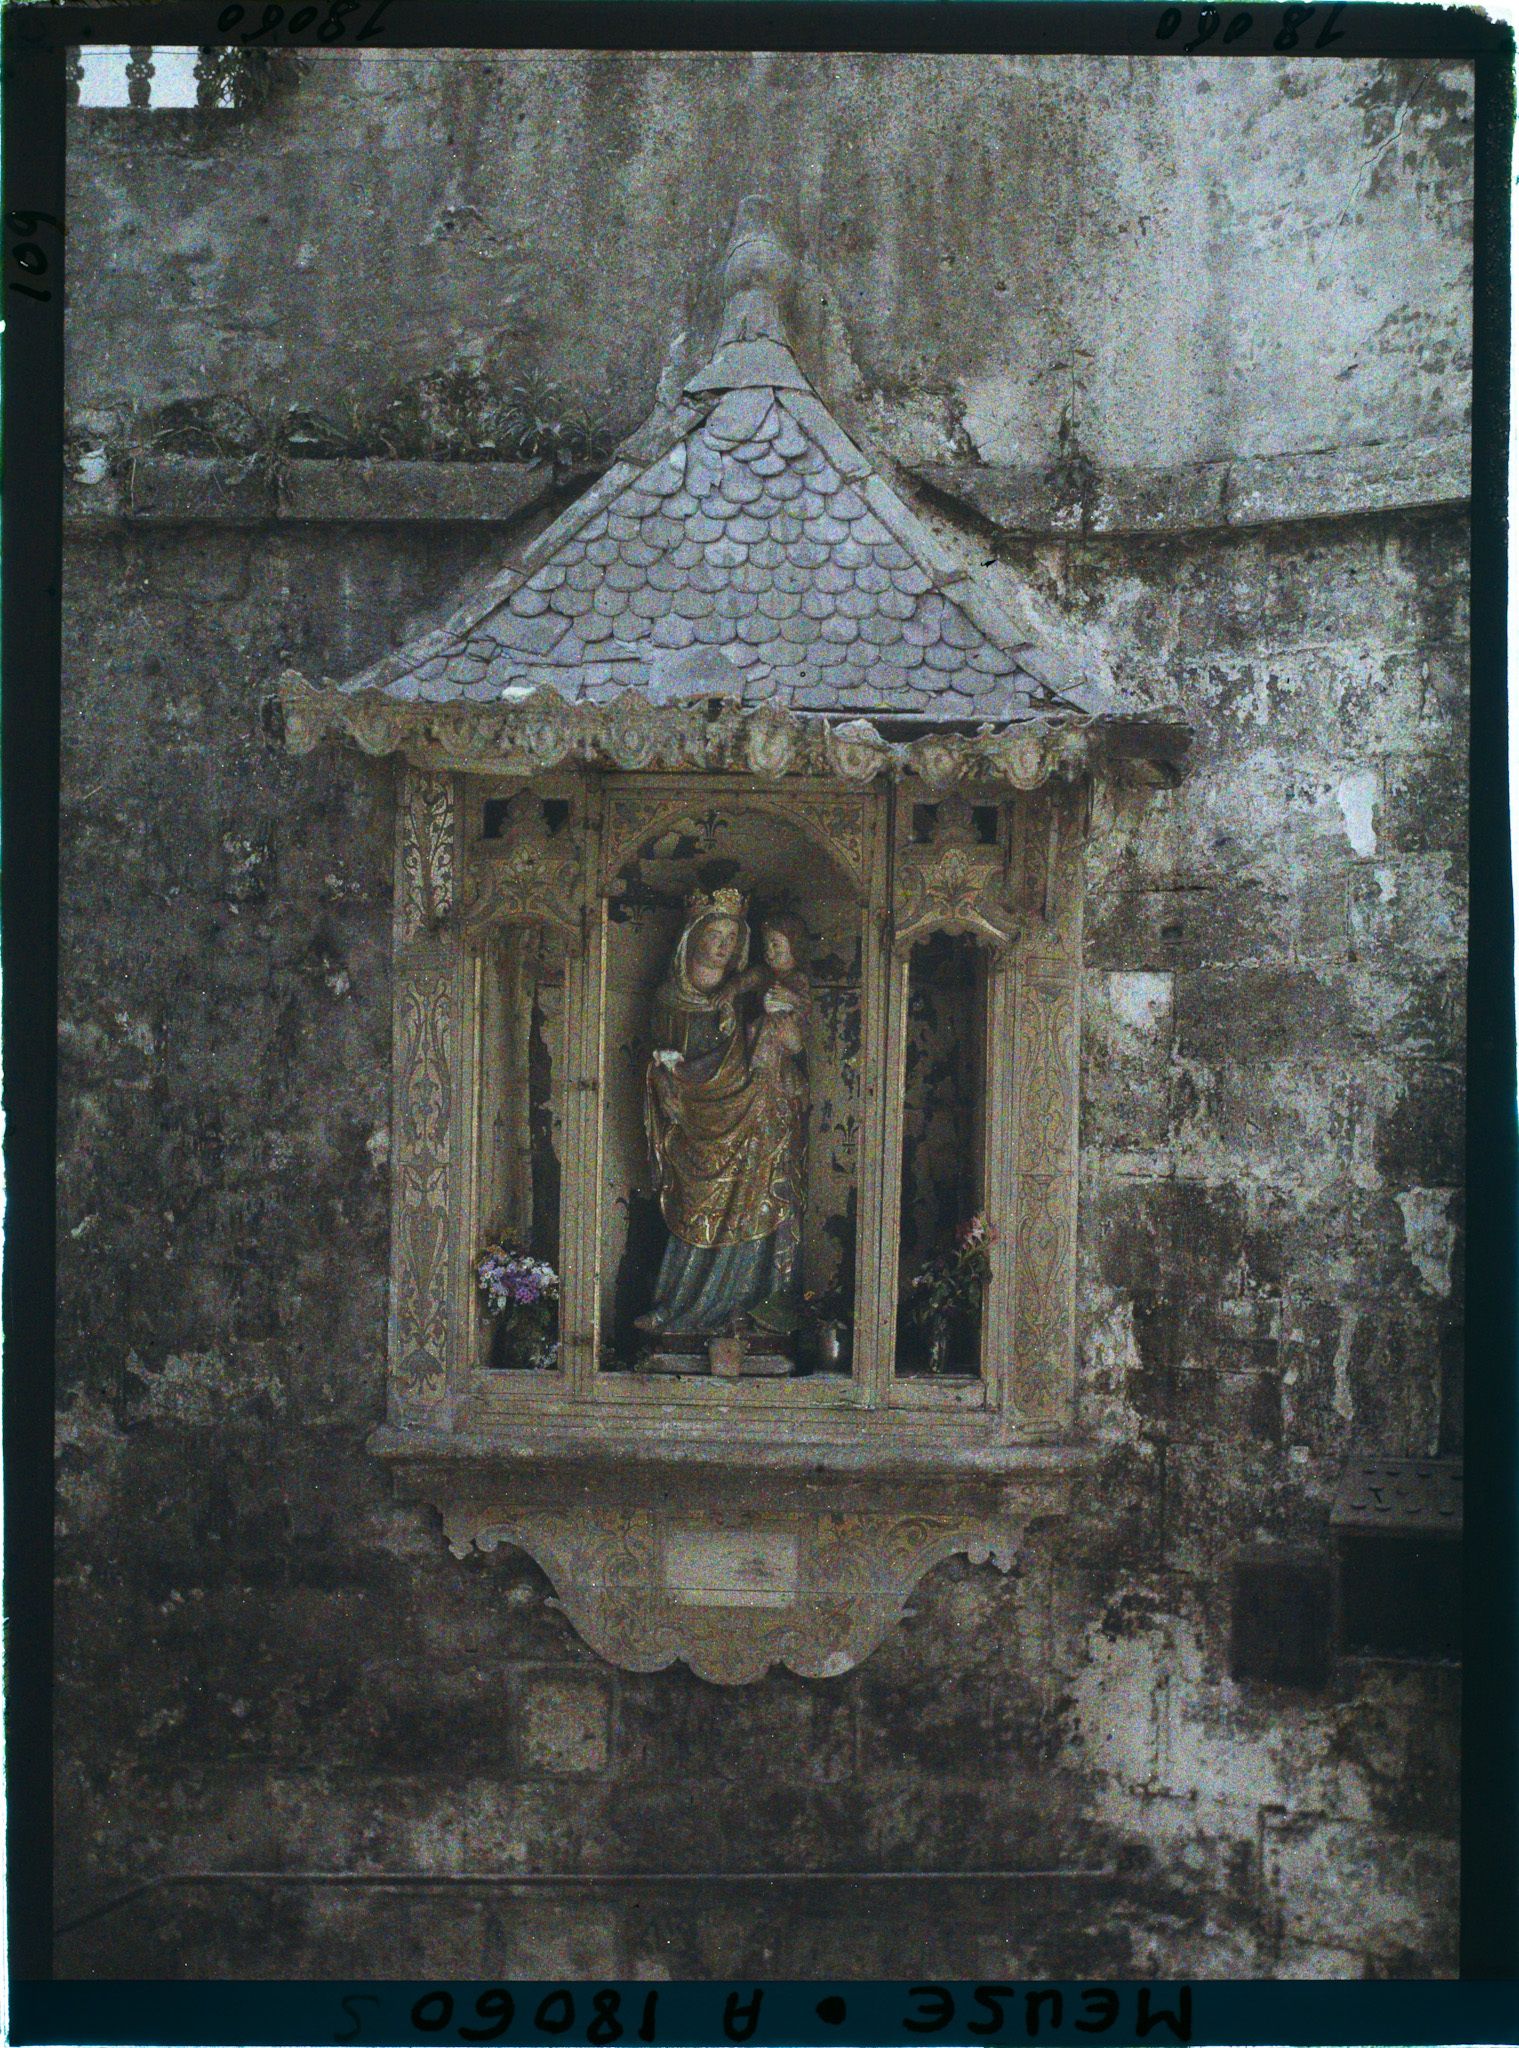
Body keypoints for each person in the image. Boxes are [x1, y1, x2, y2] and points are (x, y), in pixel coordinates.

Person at [637, 890, 809, 1342]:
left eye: (733, 938)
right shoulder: (669, 998)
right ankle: (679, 1303)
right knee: (696, 1208)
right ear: (690, 939)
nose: (724, 947)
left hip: (753, 1118)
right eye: (715, 935)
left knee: (757, 1201)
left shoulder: (757, 996)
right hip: (698, 1126)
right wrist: (665, 1081)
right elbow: (655, 1062)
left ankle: (749, 1311)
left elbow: (786, 1047)